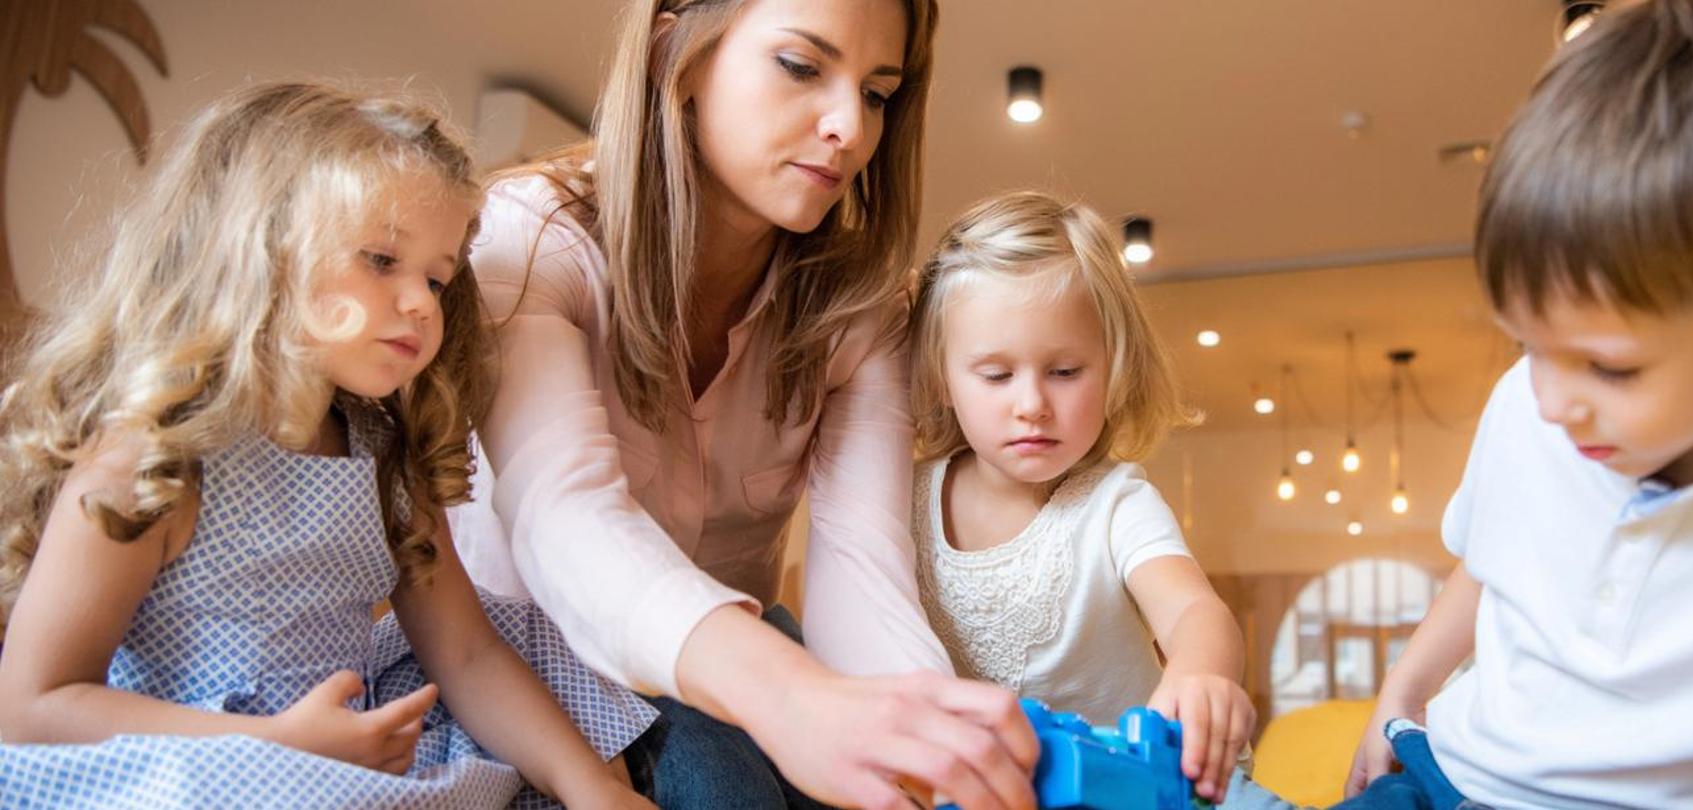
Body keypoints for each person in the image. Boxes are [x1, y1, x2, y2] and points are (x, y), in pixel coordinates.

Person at [0, 81, 657, 808]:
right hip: (191, 770)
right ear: (262, 248)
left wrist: (590, 787)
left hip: (342, 758)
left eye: (437, 280)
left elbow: (467, 655)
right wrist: (277, 747)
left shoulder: (383, 458)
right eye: (381, 260)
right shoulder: (153, 454)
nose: (420, 302)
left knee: (541, 649)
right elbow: (31, 707)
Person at [449, 1, 1036, 807]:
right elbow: (564, 517)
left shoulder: (861, 312)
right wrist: (792, 697)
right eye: (801, 66)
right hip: (525, 688)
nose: (850, 129)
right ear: (677, 55)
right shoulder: (530, 243)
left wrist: (930, 761)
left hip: (745, 679)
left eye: (876, 93)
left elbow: (863, 566)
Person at [1341, 1, 1693, 807]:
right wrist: (1401, 690)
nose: (1549, 401)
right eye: (1527, 346)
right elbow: (1487, 564)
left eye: (1609, 368)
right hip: (1447, 777)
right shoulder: (1524, 409)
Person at [908, 191, 1283, 807]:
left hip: (1137, 789)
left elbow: (1194, 611)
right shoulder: (904, 501)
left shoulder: (1114, 501)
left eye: (1064, 371)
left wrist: (1201, 677)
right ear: (940, 375)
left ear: (1113, 369)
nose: (1031, 403)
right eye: (996, 375)